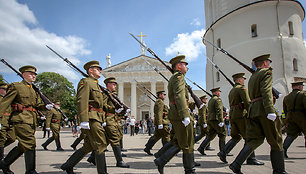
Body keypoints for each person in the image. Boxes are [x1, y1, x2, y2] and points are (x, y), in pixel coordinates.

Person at [229, 54, 287, 174]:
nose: (269, 64)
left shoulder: (253, 77)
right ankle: (279, 171)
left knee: (255, 139)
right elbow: (266, 91)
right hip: (264, 110)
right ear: (265, 63)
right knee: (276, 140)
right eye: (268, 62)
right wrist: (270, 110)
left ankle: (236, 164)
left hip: (253, 111)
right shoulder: (266, 72)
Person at [0, 65, 50, 173]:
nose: (33, 76)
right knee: (30, 143)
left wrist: (46, 106)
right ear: (23, 75)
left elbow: (36, 105)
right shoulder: (16, 86)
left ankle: (4, 163)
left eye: (34, 74)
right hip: (20, 119)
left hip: (31, 120)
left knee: (23, 145)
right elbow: (5, 103)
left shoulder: (33, 90)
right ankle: (31, 170)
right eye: (31, 74)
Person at [60, 60, 108, 174]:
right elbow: (82, 101)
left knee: (88, 146)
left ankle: (68, 165)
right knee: (100, 144)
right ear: (90, 70)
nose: (100, 70)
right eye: (98, 69)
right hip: (91, 118)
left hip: (97, 117)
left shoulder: (95, 84)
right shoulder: (86, 82)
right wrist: (84, 120)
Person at [154, 55, 195, 173]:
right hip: (180, 114)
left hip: (176, 113)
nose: (187, 67)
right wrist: (185, 114)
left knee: (179, 141)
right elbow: (179, 96)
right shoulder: (179, 77)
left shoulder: (175, 77)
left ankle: (161, 160)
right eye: (185, 64)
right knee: (187, 143)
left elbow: (181, 97)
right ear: (178, 66)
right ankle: (189, 170)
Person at [217, 73, 263, 165]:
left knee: (236, 136)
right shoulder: (242, 88)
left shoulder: (232, 90)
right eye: (243, 79)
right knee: (249, 137)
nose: (244, 80)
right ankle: (251, 159)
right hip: (242, 116)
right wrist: (252, 114)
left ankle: (223, 152)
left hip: (234, 115)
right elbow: (247, 102)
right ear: (239, 80)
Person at [102, 77, 129, 168]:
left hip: (113, 119)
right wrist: (114, 109)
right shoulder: (105, 94)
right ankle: (119, 161)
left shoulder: (111, 94)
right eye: (113, 84)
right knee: (115, 139)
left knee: (105, 141)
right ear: (108, 84)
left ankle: (93, 157)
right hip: (108, 119)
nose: (115, 86)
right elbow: (103, 106)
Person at [198, 87, 226, 156]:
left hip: (210, 120)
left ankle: (201, 147)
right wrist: (221, 121)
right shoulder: (217, 99)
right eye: (218, 91)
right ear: (216, 92)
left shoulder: (211, 100)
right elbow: (219, 110)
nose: (219, 93)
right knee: (223, 134)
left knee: (211, 135)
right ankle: (223, 152)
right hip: (216, 119)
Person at [282, 81, 306, 158]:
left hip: (291, 117)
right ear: (299, 87)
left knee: (291, 135)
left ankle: (283, 151)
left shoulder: (287, 97)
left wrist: (286, 120)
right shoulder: (303, 94)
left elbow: (284, 110)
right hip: (302, 117)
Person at [144, 91, 170, 156]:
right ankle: (166, 151)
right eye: (164, 94)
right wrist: (160, 123)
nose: (165, 96)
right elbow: (159, 113)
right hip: (163, 123)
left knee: (157, 136)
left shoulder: (160, 102)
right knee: (166, 136)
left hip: (161, 122)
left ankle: (147, 147)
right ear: (160, 95)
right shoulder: (160, 102)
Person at [0, 83, 16, 160]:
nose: (5, 91)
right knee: (2, 139)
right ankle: (1, 159)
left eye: (7, 90)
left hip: (9, 121)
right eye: (4, 89)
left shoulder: (10, 99)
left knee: (12, 138)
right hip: (1, 121)